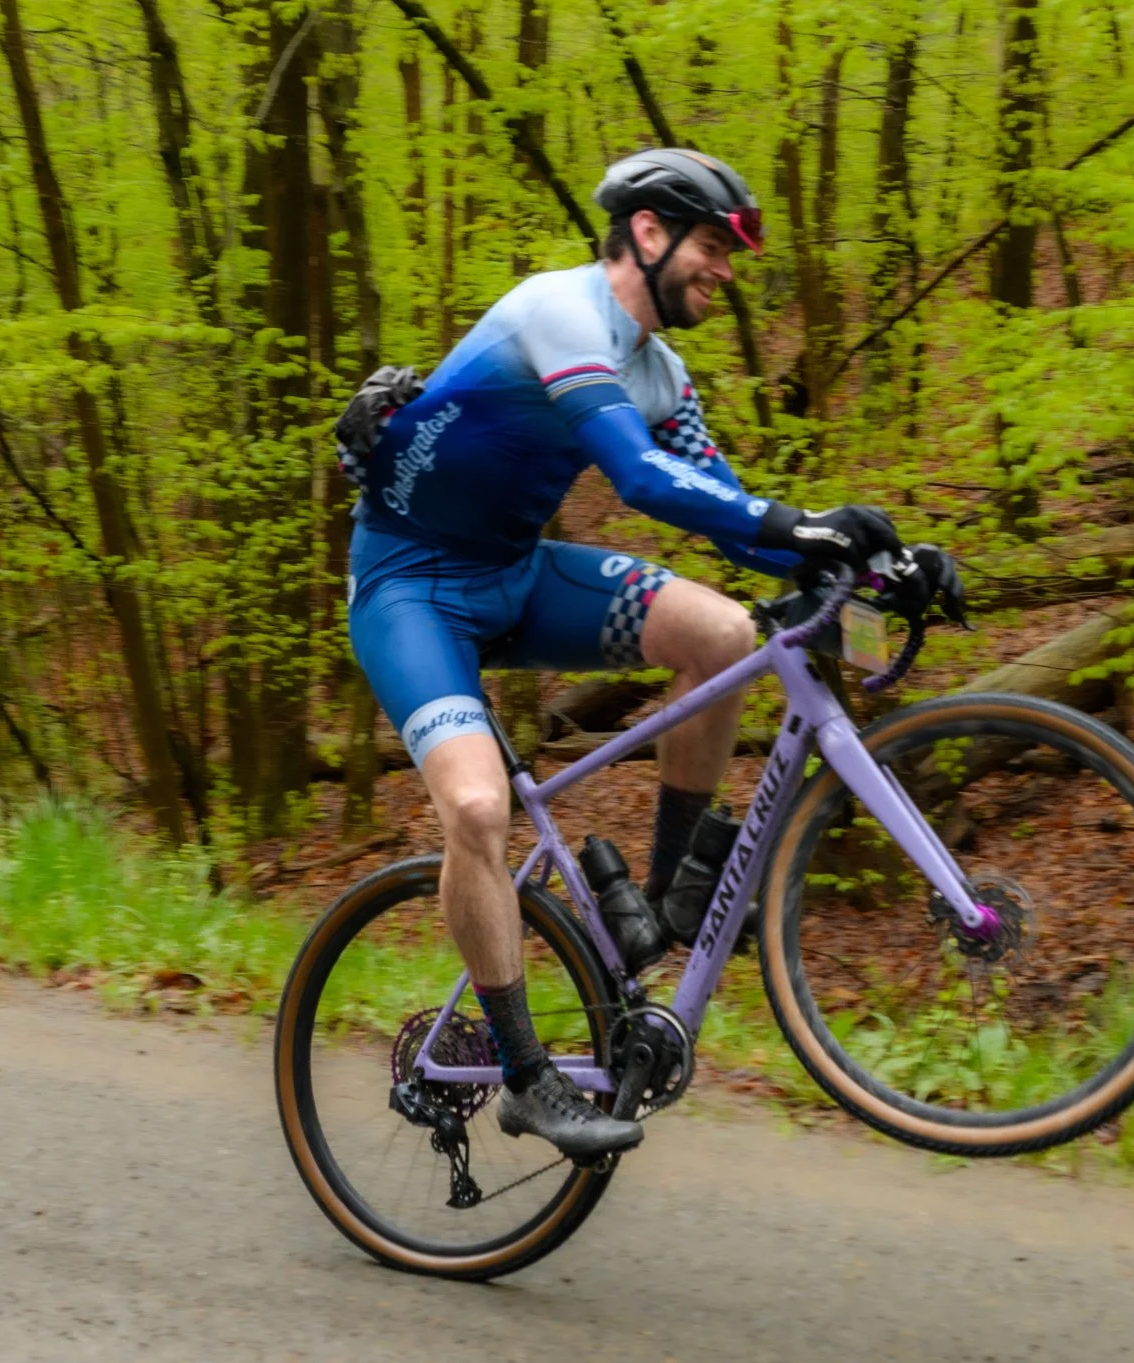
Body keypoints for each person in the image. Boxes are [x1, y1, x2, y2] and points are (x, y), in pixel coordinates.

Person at [337, 148, 964, 1162]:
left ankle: (667, 899)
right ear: (646, 232)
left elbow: (737, 528)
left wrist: (877, 560)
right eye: (712, 247)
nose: (723, 272)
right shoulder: (558, 311)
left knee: (720, 631)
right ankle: (528, 1078)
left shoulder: (660, 371)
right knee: (476, 807)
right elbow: (636, 477)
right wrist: (809, 521)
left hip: (512, 571)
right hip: (409, 588)